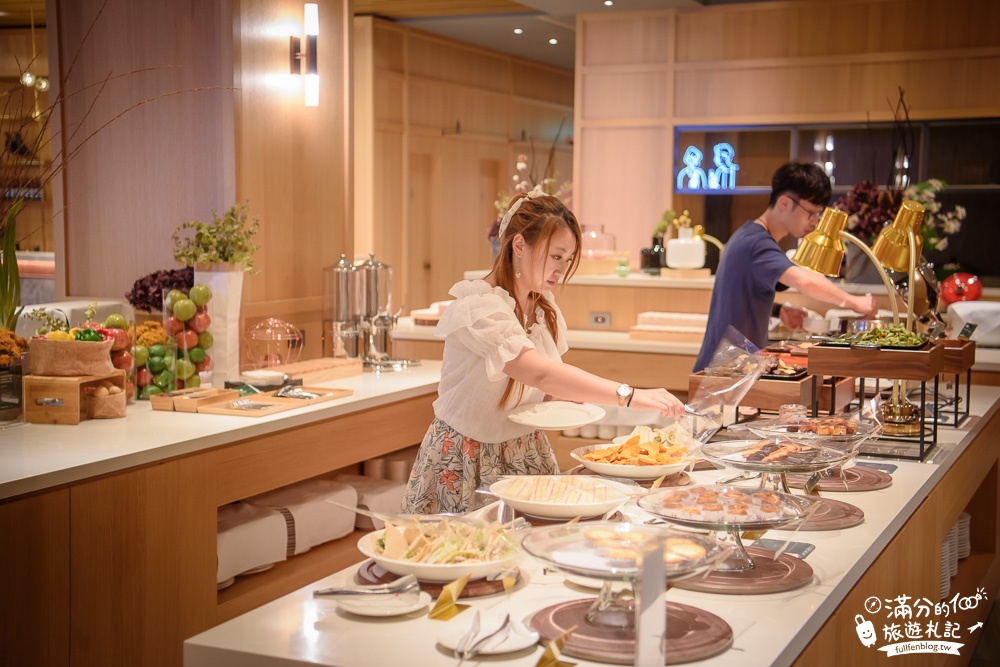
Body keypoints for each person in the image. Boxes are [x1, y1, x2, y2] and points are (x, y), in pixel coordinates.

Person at [402, 192, 686, 514]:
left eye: (567, 260)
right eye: (556, 257)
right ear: (519, 245)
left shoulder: (541, 307)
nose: (561, 270)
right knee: (468, 553)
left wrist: (563, 399)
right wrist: (630, 395)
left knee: (535, 550)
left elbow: (543, 386)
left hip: (525, 448)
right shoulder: (478, 306)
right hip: (467, 456)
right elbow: (537, 371)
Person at [693, 162, 878, 372]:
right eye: (811, 213)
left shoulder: (749, 236)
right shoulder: (756, 243)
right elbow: (803, 280)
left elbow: (741, 294)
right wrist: (854, 302)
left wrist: (779, 311)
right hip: (723, 373)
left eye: (818, 215)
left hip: (728, 367)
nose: (815, 222)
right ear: (784, 203)